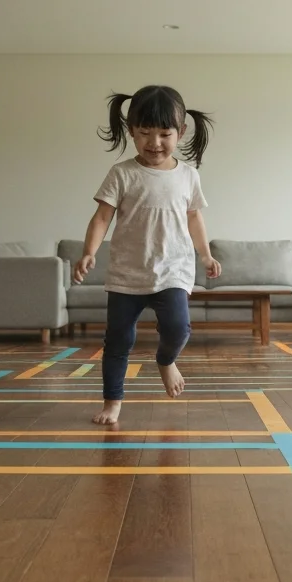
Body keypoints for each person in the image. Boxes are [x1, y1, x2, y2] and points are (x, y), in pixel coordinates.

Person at [73, 85, 221, 425]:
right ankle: (113, 402)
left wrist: (206, 256)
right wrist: (88, 253)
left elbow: (195, 217)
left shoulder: (187, 175)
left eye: (164, 134)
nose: (154, 143)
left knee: (178, 328)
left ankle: (166, 361)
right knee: (118, 341)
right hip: (127, 274)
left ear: (181, 132)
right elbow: (101, 218)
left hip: (173, 270)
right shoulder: (122, 173)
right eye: (144, 134)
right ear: (131, 132)